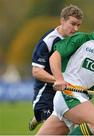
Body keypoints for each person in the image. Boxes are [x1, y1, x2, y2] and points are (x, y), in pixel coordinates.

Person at [29, 4, 83, 134]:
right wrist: (58, 80)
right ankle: (39, 115)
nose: (75, 29)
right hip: (46, 93)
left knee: (80, 124)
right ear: (62, 21)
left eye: (78, 25)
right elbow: (36, 71)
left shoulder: (75, 40)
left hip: (65, 92)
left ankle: (37, 118)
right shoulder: (48, 41)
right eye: (73, 24)